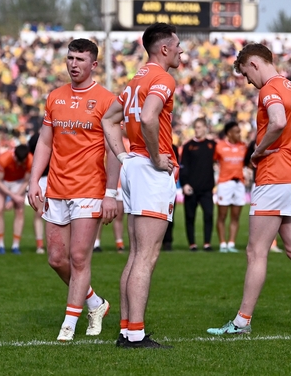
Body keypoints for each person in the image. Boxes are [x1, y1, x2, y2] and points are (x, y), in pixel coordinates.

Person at [207, 43, 291, 337]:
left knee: (256, 252)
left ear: (254, 64)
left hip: (274, 178)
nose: (248, 82)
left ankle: (241, 322)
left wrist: (259, 151)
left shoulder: (269, 89)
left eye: (245, 74)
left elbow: (277, 121)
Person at [28, 38, 118, 341]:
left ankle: (68, 326)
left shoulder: (107, 100)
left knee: (80, 258)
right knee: (56, 259)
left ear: (93, 64)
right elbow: (44, 141)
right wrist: (33, 181)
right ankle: (95, 303)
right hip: (56, 188)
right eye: (70, 58)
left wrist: (111, 193)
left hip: (89, 191)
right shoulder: (55, 97)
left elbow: (113, 149)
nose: (73, 64)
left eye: (80, 59)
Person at [102, 23, 181, 348]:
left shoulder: (136, 79)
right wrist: (154, 156)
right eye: (177, 45)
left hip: (135, 167)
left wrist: (125, 156)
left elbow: (109, 118)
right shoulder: (162, 78)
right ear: (163, 48)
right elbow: (149, 118)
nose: (180, 50)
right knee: (146, 257)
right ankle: (135, 333)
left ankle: (126, 329)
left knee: (136, 255)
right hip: (149, 170)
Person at [180, 117, 216, 251]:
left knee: (209, 214)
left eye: (199, 127)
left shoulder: (212, 145)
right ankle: (192, 244)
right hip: (191, 187)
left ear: (205, 128)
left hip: (206, 188)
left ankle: (207, 243)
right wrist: (185, 184)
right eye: (195, 127)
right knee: (190, 216)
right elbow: (183, 166)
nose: (197, 130)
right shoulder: (188, 146)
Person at [214, 121, 247, 253]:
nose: (240, 134)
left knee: (235, 216)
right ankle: (222, 243)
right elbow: (213, 160)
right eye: (237, 132)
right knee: (222, 215)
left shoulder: (243, 147)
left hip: (239, 183)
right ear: (229, 133)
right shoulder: (219, 146)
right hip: (224, 183)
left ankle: (231, 243)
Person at [0, 144, 31, 254]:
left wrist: (13, 199)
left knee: (19, 211)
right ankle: (0, 245)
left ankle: (16, 245)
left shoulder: (30, 160)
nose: (20, 164)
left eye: (22, 162)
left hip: (18, 182)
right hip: (2, 182)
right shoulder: (3, 159)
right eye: (18, 161)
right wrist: (12, 197)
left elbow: (25, 181)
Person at [27, 130, 47, 254]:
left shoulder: (35, 137)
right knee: (40, 213)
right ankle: (40, 244)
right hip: (44, 178)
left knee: (40, 214)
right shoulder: (37, 137)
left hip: (47, 178)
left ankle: (41, 245)